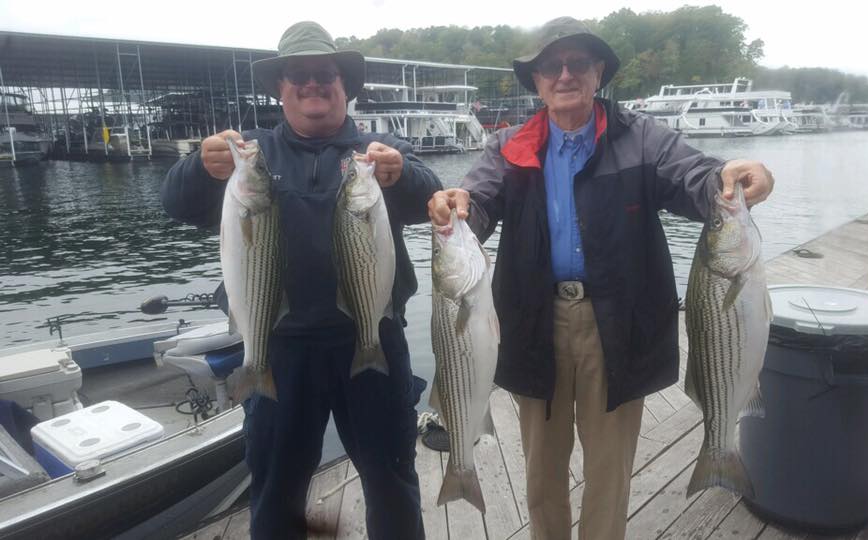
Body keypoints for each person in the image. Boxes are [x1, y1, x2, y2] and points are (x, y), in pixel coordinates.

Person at [427, 16, 774, 540]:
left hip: (617, 327)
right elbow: (477, 203)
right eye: (551, 66)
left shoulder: (643, 139)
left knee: (609, 474)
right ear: (537, 81)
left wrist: (730, 179)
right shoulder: (509, 148)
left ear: (598, 74)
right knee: (542, 473)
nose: (565, 75)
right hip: (533, 324)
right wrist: (454, 210)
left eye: (578, 63)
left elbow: (696, 178)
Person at [162, 21, 441, 540]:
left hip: (372, 337)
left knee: (393, 481)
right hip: (278, 346)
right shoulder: (250, 155)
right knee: (275, 488)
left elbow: (431, 195)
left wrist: (403, 171)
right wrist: (198, 167)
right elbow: (176, 203)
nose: (313, 83)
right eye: (299, 75)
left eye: (325, 74)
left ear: (344, 85)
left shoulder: (377, 152)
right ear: (280, 89)